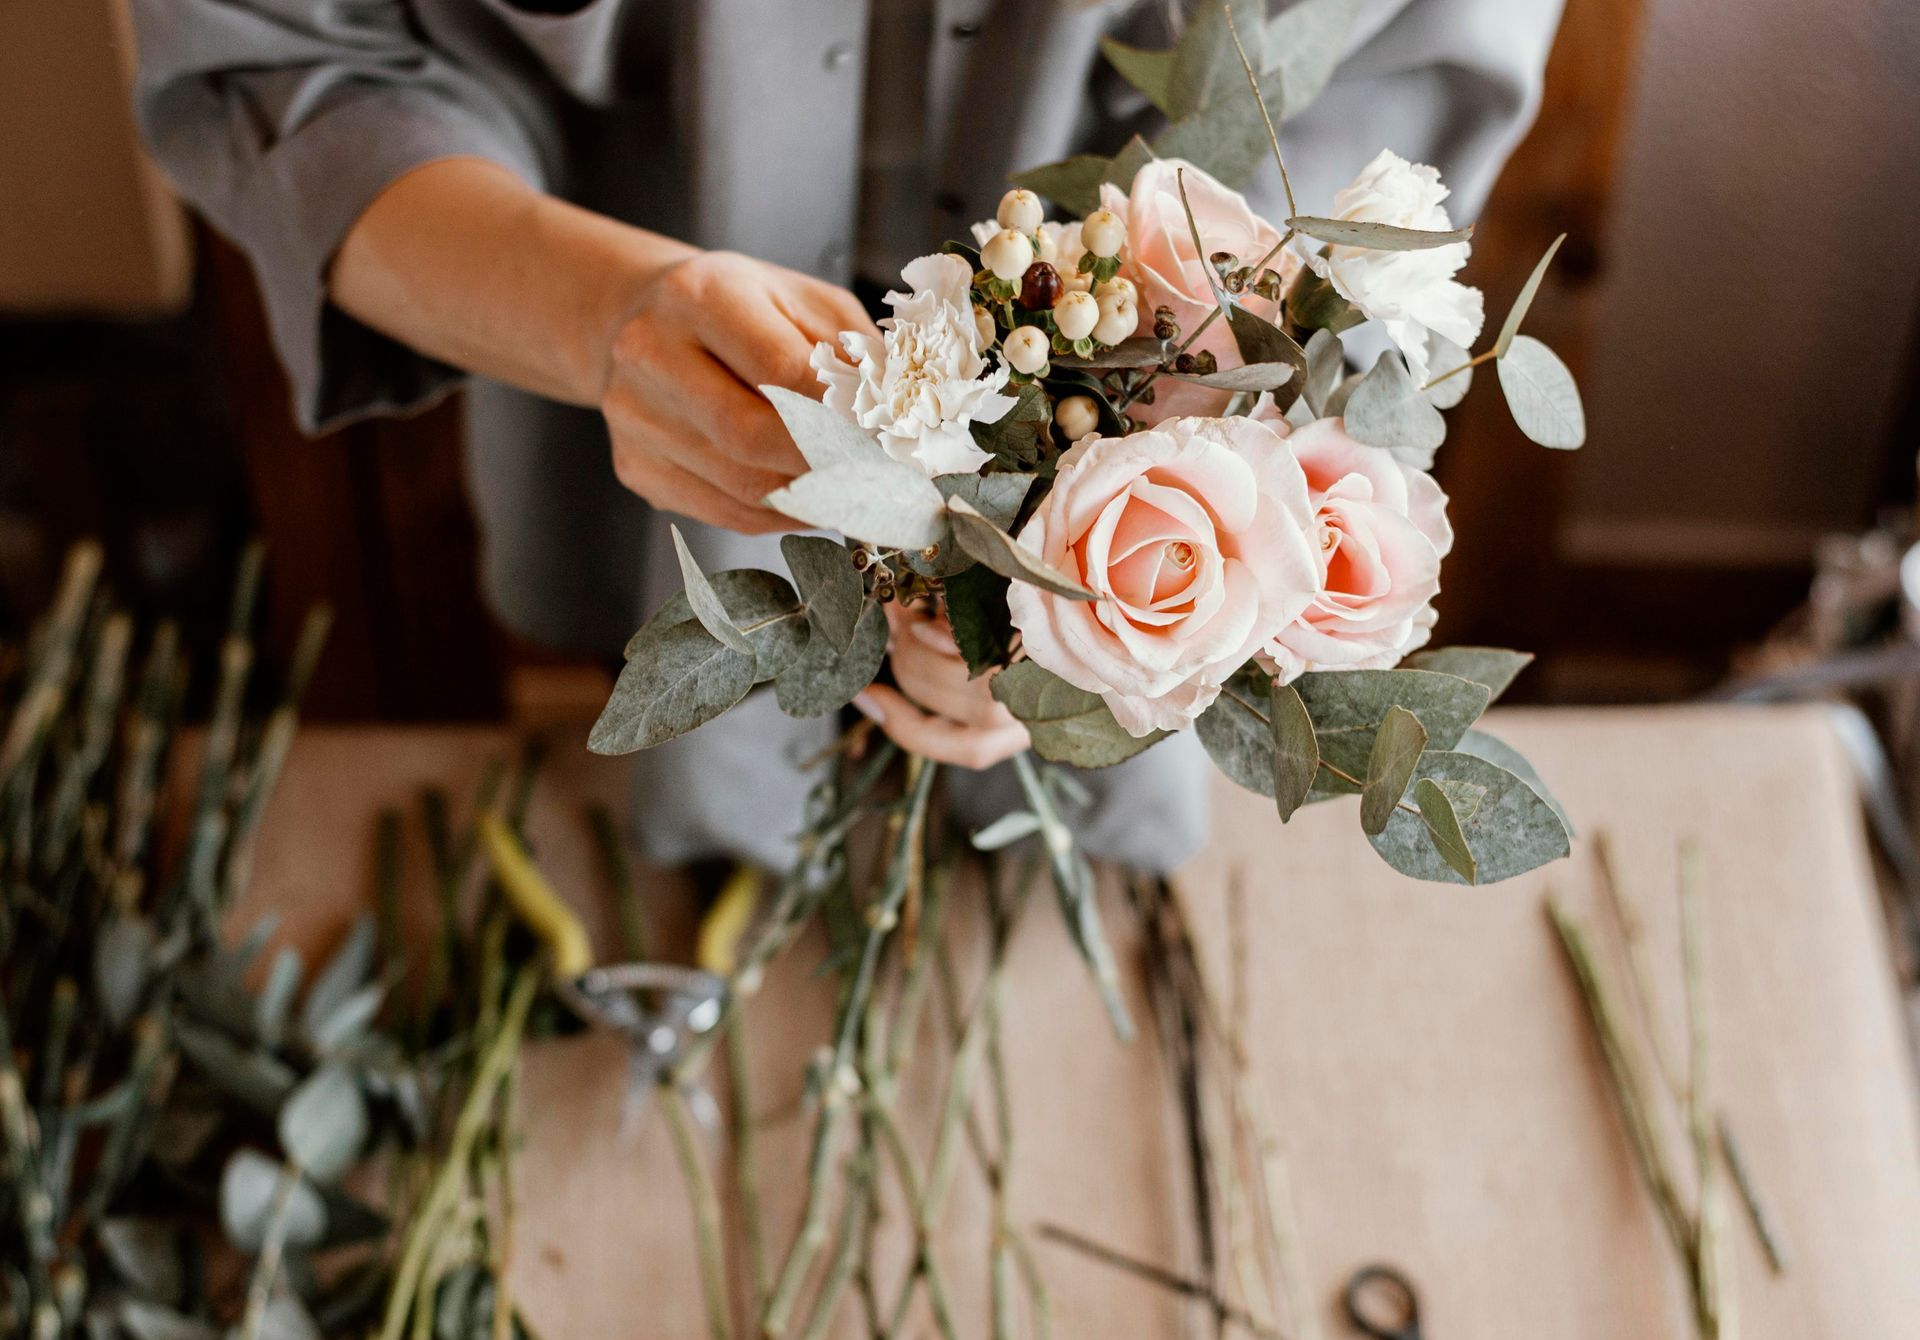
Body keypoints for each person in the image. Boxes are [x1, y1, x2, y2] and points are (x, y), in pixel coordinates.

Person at [130, 0, 1563, 871]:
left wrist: (1111, 570)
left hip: (1141, 415)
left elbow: (1401, 85)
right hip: (622, 418)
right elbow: (284, 66)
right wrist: (606, 315)